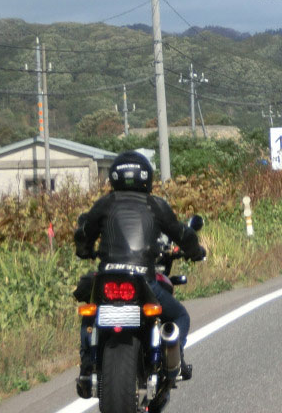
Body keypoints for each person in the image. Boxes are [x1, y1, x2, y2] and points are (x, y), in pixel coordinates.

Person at [73, 151, 206, 398]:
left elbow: (83, 233)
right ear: (147, 178)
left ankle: (87, 365)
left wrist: (85, 251)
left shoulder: (105, 204)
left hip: (107, 278)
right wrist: (195, 252)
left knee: (90, 314)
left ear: (114, 176)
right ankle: (173, 361)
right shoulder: (155, 205)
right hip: (143, 278)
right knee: (180, 316)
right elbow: (182, 234)